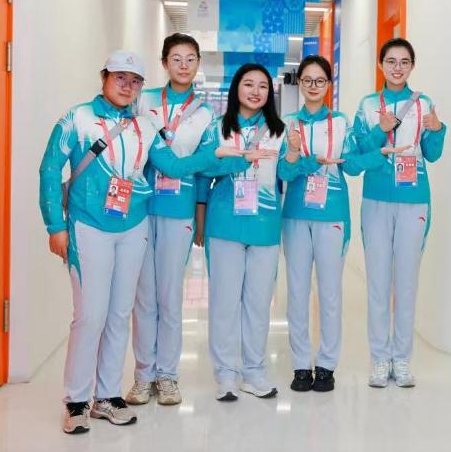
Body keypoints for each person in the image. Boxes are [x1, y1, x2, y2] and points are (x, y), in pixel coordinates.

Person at [39, 50, 242, 434]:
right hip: (88, 226)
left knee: (120, 313)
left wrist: (219, 157)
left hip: (134, 227)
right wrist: (55, 226)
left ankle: (107, 395)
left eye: (134, 81)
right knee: (90, 315)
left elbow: (175, 166)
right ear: (104, 77)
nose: (127, 86)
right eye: (120, 77)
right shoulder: (77, 118)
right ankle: (76, 400)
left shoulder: (145, 126)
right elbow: (50, 169)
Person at [280, 55, 395, 392]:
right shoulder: (288, 124)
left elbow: (353, 166)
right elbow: (283, 172)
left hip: (332, 216)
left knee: (329, 293)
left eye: (320, 80)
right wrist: (296, 156)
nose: (313, 86)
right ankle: (301, 365)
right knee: (297, 293)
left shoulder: (341, 123)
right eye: (307, 80)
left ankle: (327, 364)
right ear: (300, 83)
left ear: (329, 85)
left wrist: (378, 155)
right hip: (295, 215)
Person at [199, 63, 311, 401]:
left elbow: (287, 174)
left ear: (269, 93)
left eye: (262, 86)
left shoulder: (280, 131)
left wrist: (294, 153)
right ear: (237, 88)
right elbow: (204, 169)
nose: (255, 91)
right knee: (224, 302)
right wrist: (200, 221)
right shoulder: (217, 127)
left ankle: (254, 371)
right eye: (248, 84)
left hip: (264, 226)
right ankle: (225, 374)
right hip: (224, 224)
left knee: (259, 303)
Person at [125, 34, 215, 407]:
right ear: (164, 63)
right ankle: (143, 376)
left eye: (190, 58)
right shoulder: (143, 101)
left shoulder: (205, 112)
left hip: (179, 210)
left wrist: (200, 214)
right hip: (142, 208)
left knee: (170, 295)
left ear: (198, 63)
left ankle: (167, 376)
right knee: (144, 296)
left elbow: (207, 168)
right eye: (176, 58)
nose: (183, 65)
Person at [352, 38, 447, 388]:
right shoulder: (367, 105)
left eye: (404, 61)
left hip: (414, 199)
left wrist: (436, 130)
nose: (397, 67)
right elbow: (359, 151)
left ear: (412, 66)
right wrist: (381, 129)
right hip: (376, 199)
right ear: (380, 65)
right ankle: (380, 359)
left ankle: (402, 359)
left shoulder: (424, 104)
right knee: (378, 282)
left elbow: (432, 154)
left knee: (406, 283)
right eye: (390, 61)